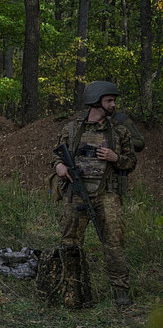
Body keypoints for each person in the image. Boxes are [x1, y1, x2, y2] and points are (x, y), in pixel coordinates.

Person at [52, 81, 136, 307]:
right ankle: (72, 290)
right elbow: (56, 155)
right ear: (95, 102)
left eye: (113, 100)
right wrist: (59, 167)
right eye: (109, 101)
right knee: (70, 244)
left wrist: (115, 158)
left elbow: (131, 162)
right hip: (75, 194)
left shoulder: (119, 132)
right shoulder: (71, 129)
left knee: (114, 244)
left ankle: (121, 291)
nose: (113, 104)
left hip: (107, 195)